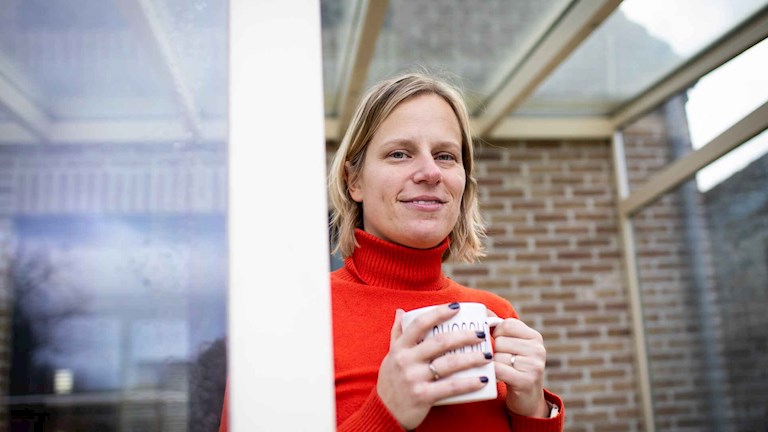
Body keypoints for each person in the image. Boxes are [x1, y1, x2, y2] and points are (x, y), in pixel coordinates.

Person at [219, 72, 564, 431]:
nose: (430, 172)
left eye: (446, 156)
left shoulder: (497, 315)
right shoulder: (288, 316)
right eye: (399, 154)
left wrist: (533, 410)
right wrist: (385, 413)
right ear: (354, 181)